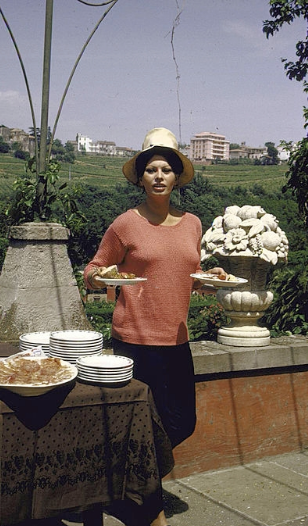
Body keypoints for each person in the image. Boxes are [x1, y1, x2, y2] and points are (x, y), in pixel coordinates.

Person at [84, 127, 226, 526]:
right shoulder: (125, 225)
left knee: (181, 422)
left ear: (178, 177)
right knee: (141, 430)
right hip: (134, 341)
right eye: (152, 169)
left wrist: (208, 275)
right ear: (141, 178)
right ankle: (148, 510)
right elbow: (93, 270)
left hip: (176, 338)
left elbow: (186, 272)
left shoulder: (193, 224)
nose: (160, 176)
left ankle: (123, 487)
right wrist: (101, 277)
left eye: (167, 169)